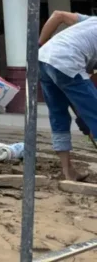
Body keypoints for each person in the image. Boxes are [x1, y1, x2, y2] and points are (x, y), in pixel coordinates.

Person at [37, 10, 97, 181]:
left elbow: (57, 15)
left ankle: (68, 171)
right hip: (67, 62)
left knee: (58, 114)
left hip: (44, 59)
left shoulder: (91, 21)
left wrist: (40, 44)